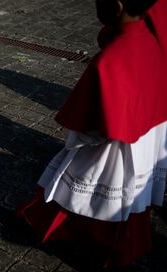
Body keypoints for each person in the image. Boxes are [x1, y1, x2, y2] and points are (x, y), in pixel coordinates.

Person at [15, 0, 167, 269]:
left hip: (111, 146)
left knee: (80, 191)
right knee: (112, 200)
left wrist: (76, 141)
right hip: (145, 139)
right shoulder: (151, 42)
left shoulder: (112, 59)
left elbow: (91, 126)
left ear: (117, 5)